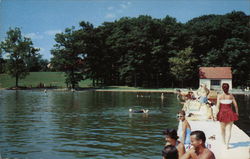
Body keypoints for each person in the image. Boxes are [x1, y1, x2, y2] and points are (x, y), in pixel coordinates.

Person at [216, 83, 239, 149]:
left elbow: (217, 107)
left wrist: (215, 115)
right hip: (230, 113)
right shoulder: (231, 96)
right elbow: (236, 105)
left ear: (222, 88)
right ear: (228, 88)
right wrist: (237, 113)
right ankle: (227, 145)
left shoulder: (219, 96)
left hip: (222, 113)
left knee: (222, 129)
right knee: (229, 130)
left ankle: (223, 142)